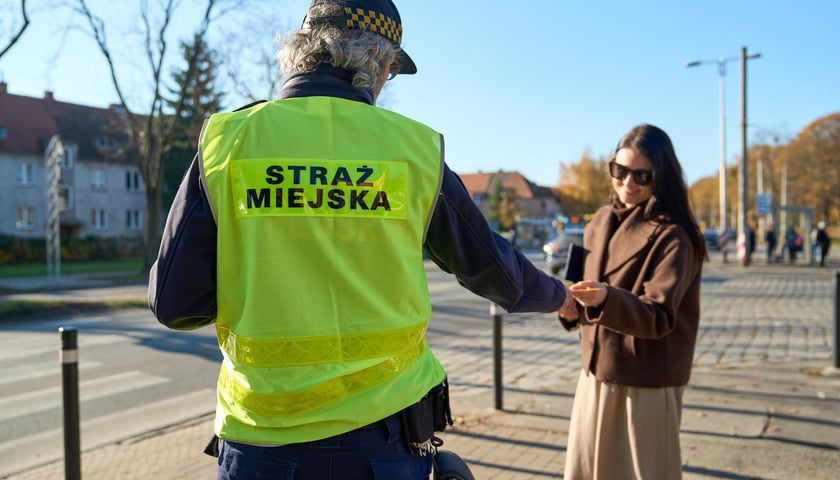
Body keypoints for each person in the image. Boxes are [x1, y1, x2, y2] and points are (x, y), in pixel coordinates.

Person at [147, 1, 576, 479]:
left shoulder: (227, 142)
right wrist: (562, 296)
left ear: (301, 52)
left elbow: (173, 303)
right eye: (391, 68)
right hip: (382, 442)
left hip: (260, 441)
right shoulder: (413, 150)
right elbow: (495, 271)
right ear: (376, 61)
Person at [556, 124, 706, 479]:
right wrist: (568, 305)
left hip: (646, 380)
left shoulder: (674, 236)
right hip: (594, 371)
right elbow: (578, 285)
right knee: (587, 469)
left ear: (662, 177)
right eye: (619, 171)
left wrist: (607, 297)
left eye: (642, 175)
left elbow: (659, 315)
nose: (628, 182)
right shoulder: (599, 222)